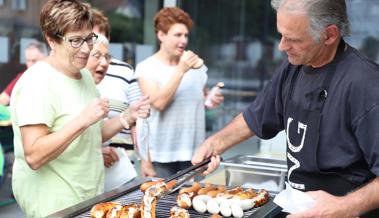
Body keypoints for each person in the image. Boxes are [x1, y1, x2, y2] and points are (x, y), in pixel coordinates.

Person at [192, 0, 379, 217]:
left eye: (292, 39)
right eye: (281, 35)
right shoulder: (293, 68)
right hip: (296, 206)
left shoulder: (365, 84)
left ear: (329, 35)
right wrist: (214, 143)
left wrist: (343, 208)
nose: (281, 46)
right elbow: (256, 116)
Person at [10, 0, 150, 217]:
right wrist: (83, 119)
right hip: (54, 203)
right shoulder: (37, 82)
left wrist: (126, 116)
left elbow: (91, 134)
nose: (86, 49)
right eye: (75, 41)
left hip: (86, 197)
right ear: (51, 39)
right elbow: (34, 155)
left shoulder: (83, 75)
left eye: (88, 38)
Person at [135, 7, 224, 178]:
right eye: (177, 35)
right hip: (160, 156)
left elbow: (204, 99)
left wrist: (211, 98)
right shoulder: (146, 68)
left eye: (186, 35)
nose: (183, 40)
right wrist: (181, 70)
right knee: (161, 204)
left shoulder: (197, 68)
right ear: (161, 35)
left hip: (194, 154)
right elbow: (159, 104)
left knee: (192, 202)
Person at [91, 9, 150, 185]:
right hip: (87, 164)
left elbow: (137, 117)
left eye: (101, 37)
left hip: (121, 163)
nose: (95, 43)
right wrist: (95, 152)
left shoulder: (124, 70)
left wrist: (145, 161)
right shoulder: (75, 76)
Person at [85, 33, 141, 191]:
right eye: (96, 56)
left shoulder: (92, 90)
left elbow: (94, 134)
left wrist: (129, 116)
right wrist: (96, 154)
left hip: (107, 177)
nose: (104, 63)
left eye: (107, 56)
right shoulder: (68, 89)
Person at [0, 40, 47, 105]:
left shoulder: (54, 77)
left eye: (34, 61)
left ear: (45, 59)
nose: (30, 64)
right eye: (28, 60)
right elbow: (3, 99)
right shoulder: (23, 77)